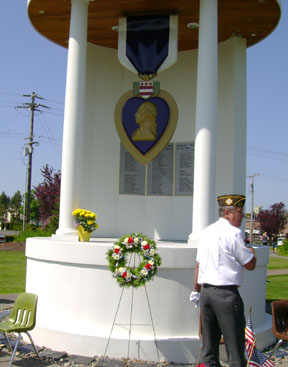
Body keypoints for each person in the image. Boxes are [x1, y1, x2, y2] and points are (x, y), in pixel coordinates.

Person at [193, 194, 257, 367]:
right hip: (225, 295)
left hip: (206, 294)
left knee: (208, 347)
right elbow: (249, 264)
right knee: (235, 346)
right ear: (227, 212)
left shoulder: (206, 232)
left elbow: (198, 265)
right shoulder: (234, 233)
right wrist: (252, 252)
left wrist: (196, 290)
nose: (243, 216)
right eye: (239, 211)